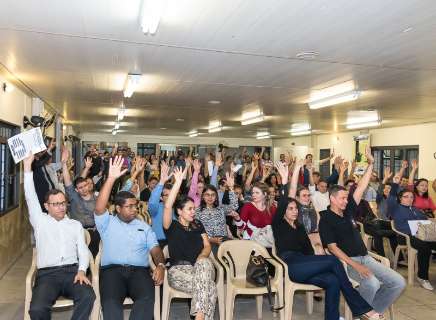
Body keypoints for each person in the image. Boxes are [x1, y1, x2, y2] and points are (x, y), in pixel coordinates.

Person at [272, 161, 382, 320]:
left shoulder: (300, 227)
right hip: (289, 266)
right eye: (290, 209)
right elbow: (288, 195)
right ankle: (360, 307)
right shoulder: (278, 224)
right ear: (283, 211)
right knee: (332, 261)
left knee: (333, 280)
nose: (295, 211)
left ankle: (333, 317)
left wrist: (317, 252)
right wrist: (293, 172)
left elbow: (308, 252)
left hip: (304, 265)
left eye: (296, 208)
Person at [319, 147, 405, 314]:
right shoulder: (326, 219)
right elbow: (332, 248)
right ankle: (363, 312)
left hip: (366, 257)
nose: (346, 201)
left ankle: (369, 312)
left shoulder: (348, 209)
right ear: (332, 199)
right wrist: (356, 266)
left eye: (346, 198)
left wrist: (371, 163)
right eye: (343, 198)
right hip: (347, 262)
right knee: (372, 283)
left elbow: (361, 187)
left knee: (399, 282)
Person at [23, 154, 95, 320]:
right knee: (37, 309)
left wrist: (82, 271)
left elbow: (83, 251)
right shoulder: (40, 220)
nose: (61, 208)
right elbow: (30, 196)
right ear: (46, 206)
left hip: (72, 272)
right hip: (47, 275)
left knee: (88, 296)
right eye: (56, 204)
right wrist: (27, 167)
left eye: (63, 203)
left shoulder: (74, 225)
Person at [94, 156, 165, 320]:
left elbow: (155, 249)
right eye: (130, 206)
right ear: (118, 208)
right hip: (112, 272)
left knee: (147, 300)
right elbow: (99, 207)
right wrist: (111, 178)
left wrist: (160, 265)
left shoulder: (144, 227)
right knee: (111, 303)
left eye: (136, 206)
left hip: (139, 272)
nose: (135, 209)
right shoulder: (107, 223)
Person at [163, 167, 217, 320]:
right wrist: (178, 182)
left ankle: (198, 316)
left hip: (200, 268)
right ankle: (201, 317)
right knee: (210, 287)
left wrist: (201, 257)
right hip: (178, 271)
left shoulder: (198, 224)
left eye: (194, 208)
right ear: (179, 211)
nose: (194, 212)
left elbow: (207, 246)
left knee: (204, 263)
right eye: (190, 209)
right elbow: (168, 206)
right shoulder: (171, 226)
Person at [388, 177, 436, 291]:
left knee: (429, 245)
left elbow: (426, 220)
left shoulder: (415, 209)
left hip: (422, 235)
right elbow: (391, 199)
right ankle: (422, 277)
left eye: (411, 197)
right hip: (406, 237)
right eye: (406, 197)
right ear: (400, 198)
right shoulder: (395, 208)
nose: (409, 199)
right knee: (425, 248)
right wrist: (395, 184)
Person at [61, 148, 100, 257]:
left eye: (85, 186)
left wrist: (99, 225)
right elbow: (68, 182)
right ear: (77, 190)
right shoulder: (74, 197)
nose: (83, 189)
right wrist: (64, 164)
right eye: (80, 188)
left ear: (89, 185)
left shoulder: (97, 198)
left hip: (94, 232)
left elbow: (102, 215)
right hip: (77, 232)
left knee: (94, 257)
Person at [195, 172, 239, 252]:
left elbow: (234, 206)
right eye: (207, 194)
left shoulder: (220, 208)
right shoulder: (197, 211)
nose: (210, 197)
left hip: (224, 241)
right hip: (208, 243)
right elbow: (196, 232)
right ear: (203, 196)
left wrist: (231, 188)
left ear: (216, 197)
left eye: (213, 195)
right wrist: (211, 240)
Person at [289, 160, 324, 254]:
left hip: (314, 238)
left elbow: (318, 225)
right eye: (304, 196)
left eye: (308, 195)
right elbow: (292, 188)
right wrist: (296, 169)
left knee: (320, 249)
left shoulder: (312, 207)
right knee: (318, 250)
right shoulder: (293, 209)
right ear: (297, 198)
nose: (307, 198)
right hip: (298, 242)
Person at [148, 161, 174, 247]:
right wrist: (161, 182)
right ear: (161, 198)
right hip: (159, 242)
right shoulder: (156, 208)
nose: (170, 197)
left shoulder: (178, 209)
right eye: (167, 195)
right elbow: (152, 202)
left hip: (175, 241)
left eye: (172, 195)